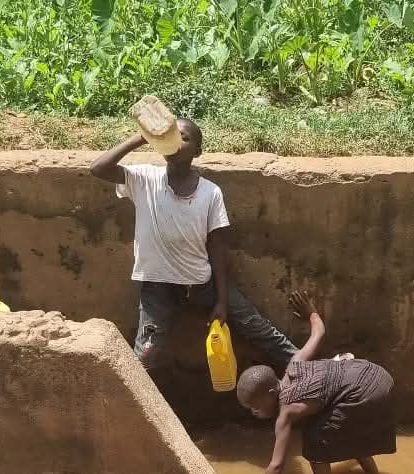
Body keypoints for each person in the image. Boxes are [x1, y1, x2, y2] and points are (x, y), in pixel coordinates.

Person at [89, 118, 297, 371]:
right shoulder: (144, 179)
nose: (176, 142)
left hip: (201, 283)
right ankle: (134, 407)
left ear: (197, 151)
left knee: (257, 327)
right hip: (158, 288)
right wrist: (141, 138)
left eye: (184, 138)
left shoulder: (210, 193)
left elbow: (217, 247)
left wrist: (221, 300)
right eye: (171, 136)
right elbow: (98, 169)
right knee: (145, 358)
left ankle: (310, 368)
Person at [236, 292, 397, 474]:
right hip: (377, 375)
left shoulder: (286, 412)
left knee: (315, 444)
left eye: (256, 407)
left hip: (366, 394)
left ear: (271, 392)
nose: (254, 413)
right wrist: (310, 311)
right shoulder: (296, 363)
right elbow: (318, 333)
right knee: (349, 430)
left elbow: (276, 466)